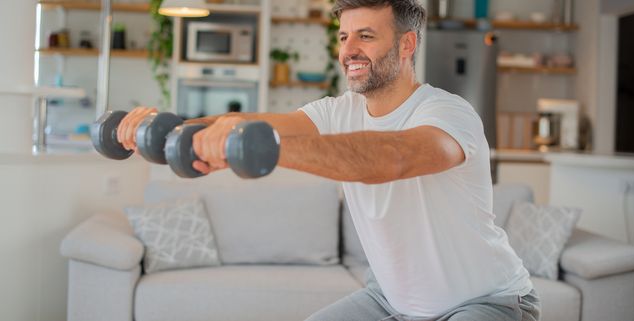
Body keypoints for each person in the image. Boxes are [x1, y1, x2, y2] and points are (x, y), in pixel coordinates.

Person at [117, 1, 540, 320]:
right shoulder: (336, 112)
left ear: (407, 44)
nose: (349, 50)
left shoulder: (448, 113)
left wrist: (264, 146)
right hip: (390, 300)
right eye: (343, 37)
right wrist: (169, 126)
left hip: (485, 300)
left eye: (366, 37)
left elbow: (389, 158)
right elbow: (247, 120)